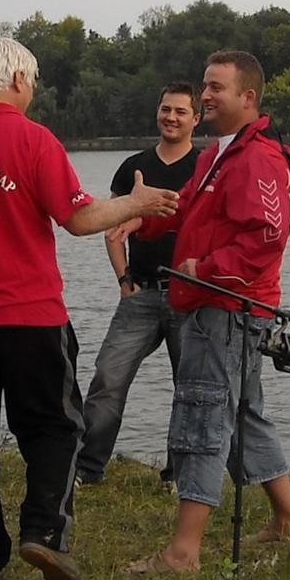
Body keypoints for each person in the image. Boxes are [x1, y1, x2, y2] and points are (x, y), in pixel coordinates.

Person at [0, 35, 181, 580]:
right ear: (21, 81)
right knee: (55, 426)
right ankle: (44, 533)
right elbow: (78, 219)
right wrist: (139, 204)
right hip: (29, 313)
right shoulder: (33, 140)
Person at [126, 52, 290, 575]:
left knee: (204, 415)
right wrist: (141, 218)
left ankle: (183, 552)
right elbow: (186, 208)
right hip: (213, 306)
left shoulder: (257, 160)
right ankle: (288, 524)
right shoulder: (216, 156)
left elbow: (268, 237)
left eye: (216, 88)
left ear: (248, 98)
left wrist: (203, 270)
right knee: (247, 416)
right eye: (204, 85)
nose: (205, 96)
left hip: (227, 309)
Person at [76, 83, 203, 485]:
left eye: (181, 111)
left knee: (190, 389)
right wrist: (123, 279)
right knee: (108, 379)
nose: (171, 117)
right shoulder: (134, 166)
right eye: (166, 109)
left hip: (190, 298)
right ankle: (86, 468)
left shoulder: (206, 166)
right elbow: (110, 225)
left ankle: (178, 475)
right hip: (141, 294)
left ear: (195, 119)